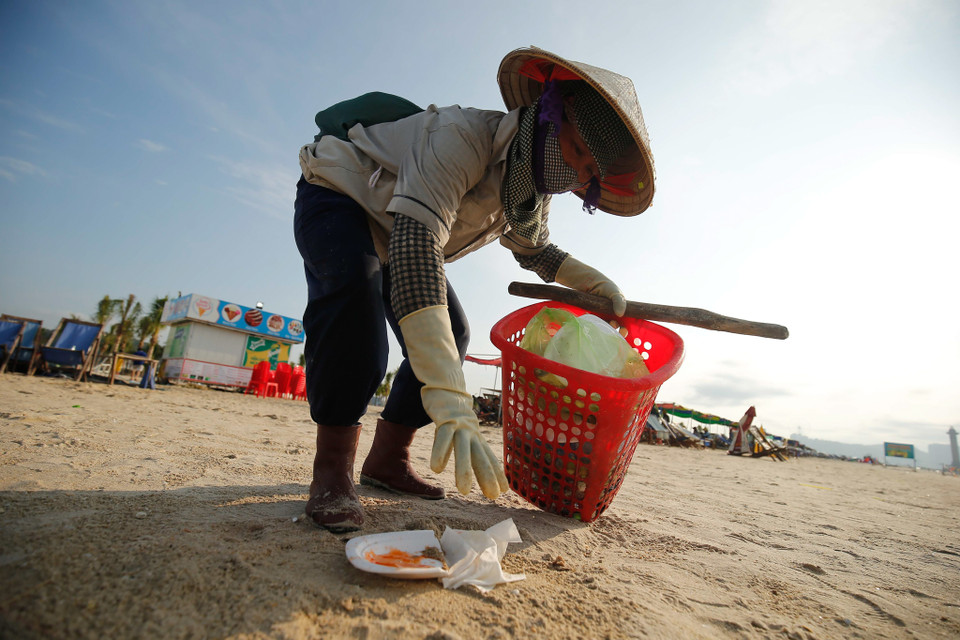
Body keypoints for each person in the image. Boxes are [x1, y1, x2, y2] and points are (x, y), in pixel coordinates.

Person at [294, 46, 656, 532]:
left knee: (456, 333)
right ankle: (332, 471)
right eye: (575, 154)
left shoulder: (528, 192)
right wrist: (448, 394)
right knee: (356, 310)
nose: (572, 175)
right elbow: (417, 242)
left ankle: (387, 458)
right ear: (550, 119)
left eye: (586, 174)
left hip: (401, 231)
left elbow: (535, 252)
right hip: (341, 194)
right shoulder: (460, 136)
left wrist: (595, 285)